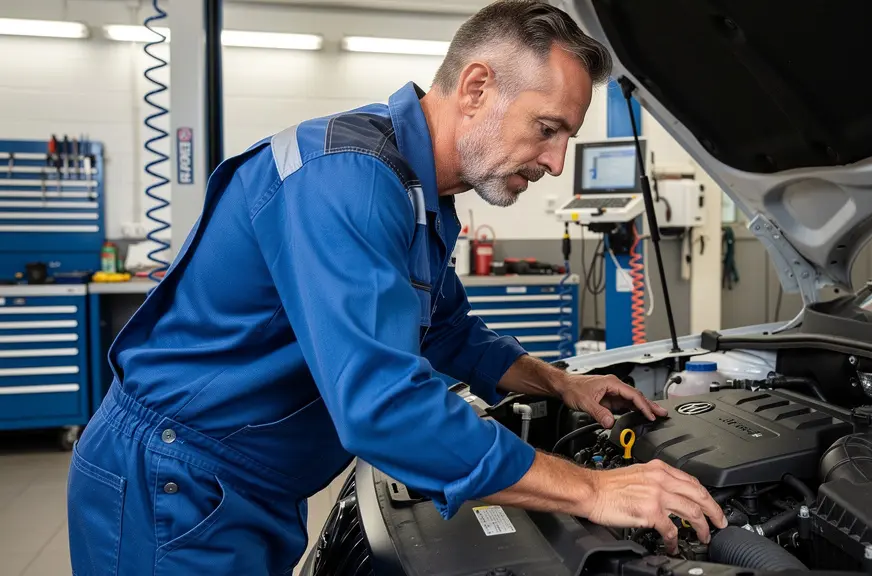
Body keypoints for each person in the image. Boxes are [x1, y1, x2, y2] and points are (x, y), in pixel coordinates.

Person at [66, 1, 726, 574]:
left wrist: (560, 383)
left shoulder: (418, 194)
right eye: (547, 129)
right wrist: (591, 490)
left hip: (243, 481)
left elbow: (449, 332)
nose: (556, 163)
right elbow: (382, 405)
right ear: (476, 87)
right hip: (175, 479)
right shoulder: (347, 180)